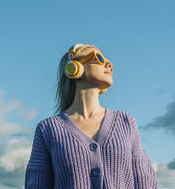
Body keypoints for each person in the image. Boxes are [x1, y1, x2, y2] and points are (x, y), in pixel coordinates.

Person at [24, 43, 159, 189]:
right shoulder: (48, 129)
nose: (108, 64)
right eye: (99, 58)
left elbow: (145, 181)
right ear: (74, 67)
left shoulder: (126, 122)